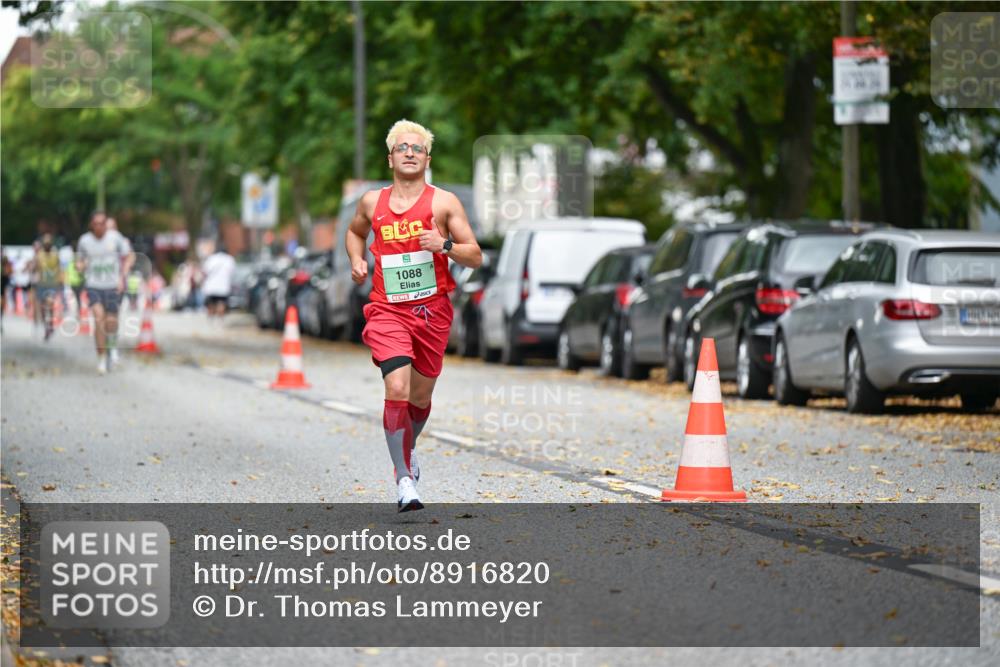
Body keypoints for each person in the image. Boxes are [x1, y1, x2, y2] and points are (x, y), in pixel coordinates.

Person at [346, 119, 482, 512]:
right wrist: (356, 259)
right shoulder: (372, 202)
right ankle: (403, 478)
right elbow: (355, 233)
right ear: (390, 157)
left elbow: (475, 254)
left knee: (420, 398)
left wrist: (444, 244)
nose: (409, 152)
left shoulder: (444, 203)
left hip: (431, 312)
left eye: (417, 148)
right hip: (387, 310)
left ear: (427, 158)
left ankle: (408, 446)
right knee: (398, 389)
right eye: (402, 147)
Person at [76, 211, 135, 374]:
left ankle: (112, 346)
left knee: (111, 322)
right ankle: (101, 358)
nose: (100, 226)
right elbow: (79, 262)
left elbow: (130, 256)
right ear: (91, 225)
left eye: (103, 223)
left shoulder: (115, 237)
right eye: (96, 223)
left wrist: (123, 274)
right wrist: (80, 266)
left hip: (112, 285)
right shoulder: (84, 241)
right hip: (93, 285)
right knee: (98, 319)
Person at [29, 234, 63, 341]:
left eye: (49, 243)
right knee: (43, 308)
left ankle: (50, 324)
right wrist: (33, 267)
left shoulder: (55, 254)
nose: (47, 245)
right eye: (46, 243)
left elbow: (59, 267)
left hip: (52, 284)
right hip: (42, 284)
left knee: (50, 304)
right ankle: (47, 327)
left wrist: (60, 281)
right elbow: (33, 267)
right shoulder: (39, 255)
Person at [201, 243, 235, 321]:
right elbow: (232, 272)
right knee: (221, 303)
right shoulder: (229, 259)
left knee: (211, 303)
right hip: (223, 286)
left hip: (211, 286)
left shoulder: (211, 258)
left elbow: (205, 271)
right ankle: (220, 319)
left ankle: (210, 319)